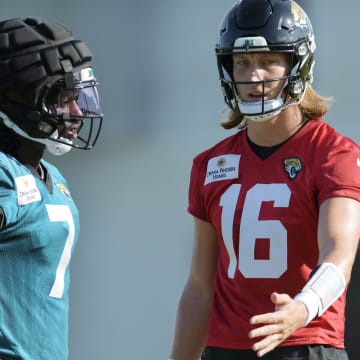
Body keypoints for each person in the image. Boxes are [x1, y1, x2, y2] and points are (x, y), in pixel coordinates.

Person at [169, 1, 360, 359]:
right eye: (242, 62)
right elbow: (199, 288)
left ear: (297, 63)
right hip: (225, 350)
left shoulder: (334, 153)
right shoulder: (210, 164)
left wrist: (303, 307)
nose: (254, 76)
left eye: (268, 60)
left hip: (305, 345)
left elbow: (339, 253)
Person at [0, 17, 103, 359]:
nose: (76, 113)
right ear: (18, 97)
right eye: (62, 98)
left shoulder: (53, 176)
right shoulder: (4, 173)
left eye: (77, 97)